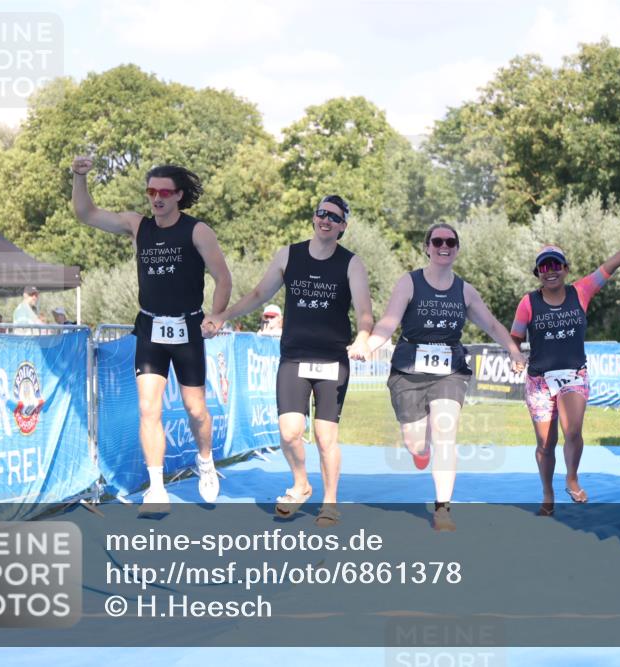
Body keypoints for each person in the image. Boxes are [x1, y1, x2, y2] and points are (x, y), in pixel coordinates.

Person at [71, 155, 232, 513]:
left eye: (164, 192)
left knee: (196, 410)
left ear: (178, 196)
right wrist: (79, 177)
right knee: (148, 408)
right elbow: (87, 214)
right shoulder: (137, 225)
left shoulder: (197, 231)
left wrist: (216, 317)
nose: (156, 198)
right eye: (150, 191)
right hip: (151, 328)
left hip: (188, 327)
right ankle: (156, 488)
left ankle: (205, 461)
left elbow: (223, 278)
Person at [203, 195, 373, 527]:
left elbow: (365, 312)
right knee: (289, 431)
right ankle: (301, 484)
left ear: (342, 227)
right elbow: (257, 295)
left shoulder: (351, 264)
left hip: (332, 360)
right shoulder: (288, 255)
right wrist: (222, 315)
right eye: (322, 213)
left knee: (325, 437)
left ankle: (330, 502)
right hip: (294, 357)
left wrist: (363, 338)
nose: (326, 220)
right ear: (314, 217)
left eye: (334, 217)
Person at [363, 223, 526, 531]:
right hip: (408, 370)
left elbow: (491, 325)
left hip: (450, 370)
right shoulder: (409, 283)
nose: (444, 245)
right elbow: (388, 323)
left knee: (445, 432)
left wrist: (514, 352)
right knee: (416, 444)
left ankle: (442, 508)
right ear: (427, 247)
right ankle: (421, 452)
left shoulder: (464, 290)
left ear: (457, 249)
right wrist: (368, 345)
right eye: (437, 241)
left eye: (450, 241)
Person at [510, 219, 620, 515]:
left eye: (556, 265)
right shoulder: (528, 303)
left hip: (574, 376)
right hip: (539, 382)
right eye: (544, 267)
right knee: (546, 444)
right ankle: (547, 493)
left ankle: (571, 477)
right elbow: (515, 338)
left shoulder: (581, 292)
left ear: (566, 269)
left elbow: (611, 265)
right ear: (537, 274)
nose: (551, 271)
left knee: (572, 431)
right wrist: (516, 357)